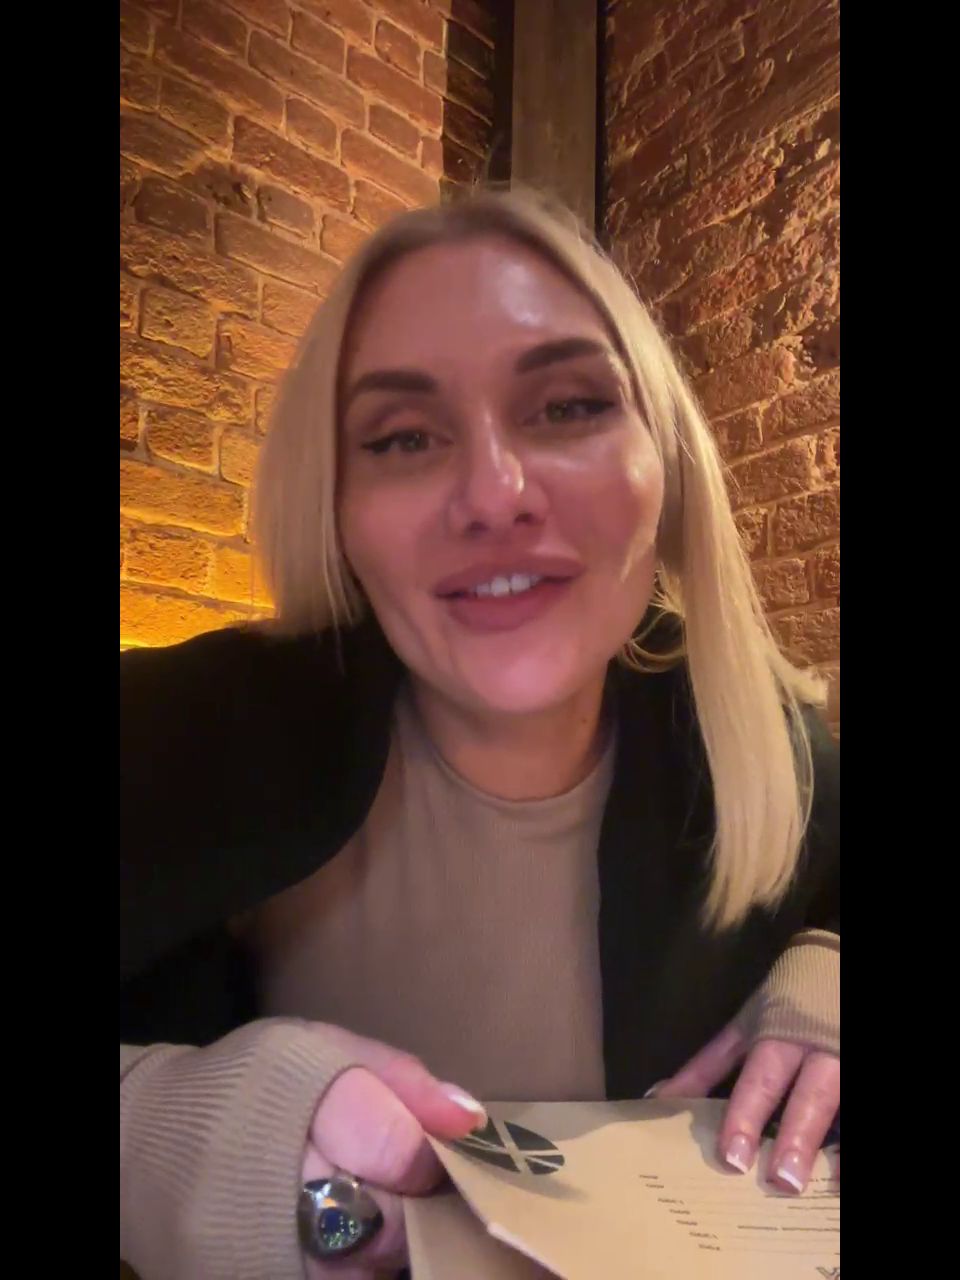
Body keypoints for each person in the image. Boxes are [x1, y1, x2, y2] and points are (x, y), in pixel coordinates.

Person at [120, 187, 839, 1280]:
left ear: (667, 465)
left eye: (568, 407)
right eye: (404, 437)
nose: (495, 495)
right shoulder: (181, 740)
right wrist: (165, 1132)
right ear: (338, 508)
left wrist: (828, 975)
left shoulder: (769, 750)